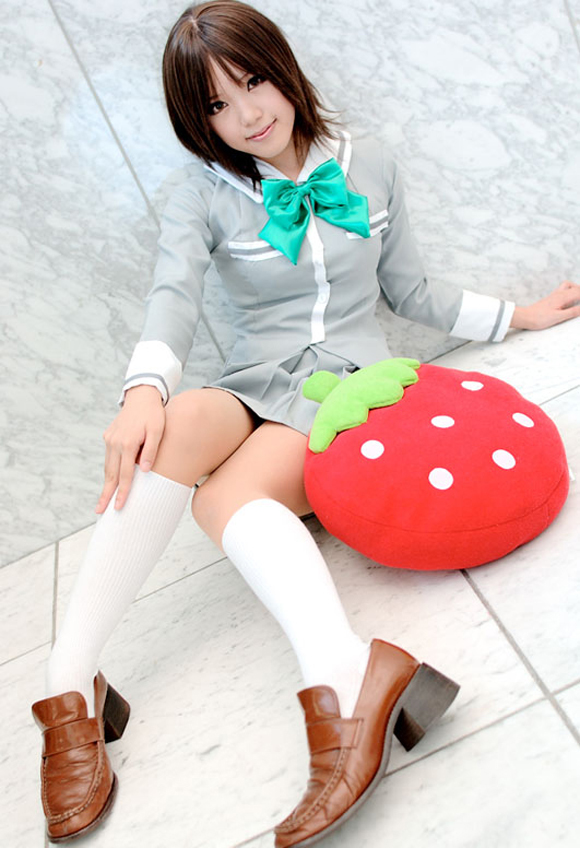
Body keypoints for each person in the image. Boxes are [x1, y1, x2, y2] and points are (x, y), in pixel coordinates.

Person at [31, 2, 580, 846]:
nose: (247, 115)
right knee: (166, 428)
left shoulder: (371, 164)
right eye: (217, 105)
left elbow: (410, 290)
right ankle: (70, 684)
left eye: (253, 82)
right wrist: (142, 390)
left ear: (282, 69)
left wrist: (519, 316)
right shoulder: (201, 194)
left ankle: (346, 672)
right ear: (199, 121)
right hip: (256, 378)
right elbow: (173, 295)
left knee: (221, 502)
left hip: (345, 386)